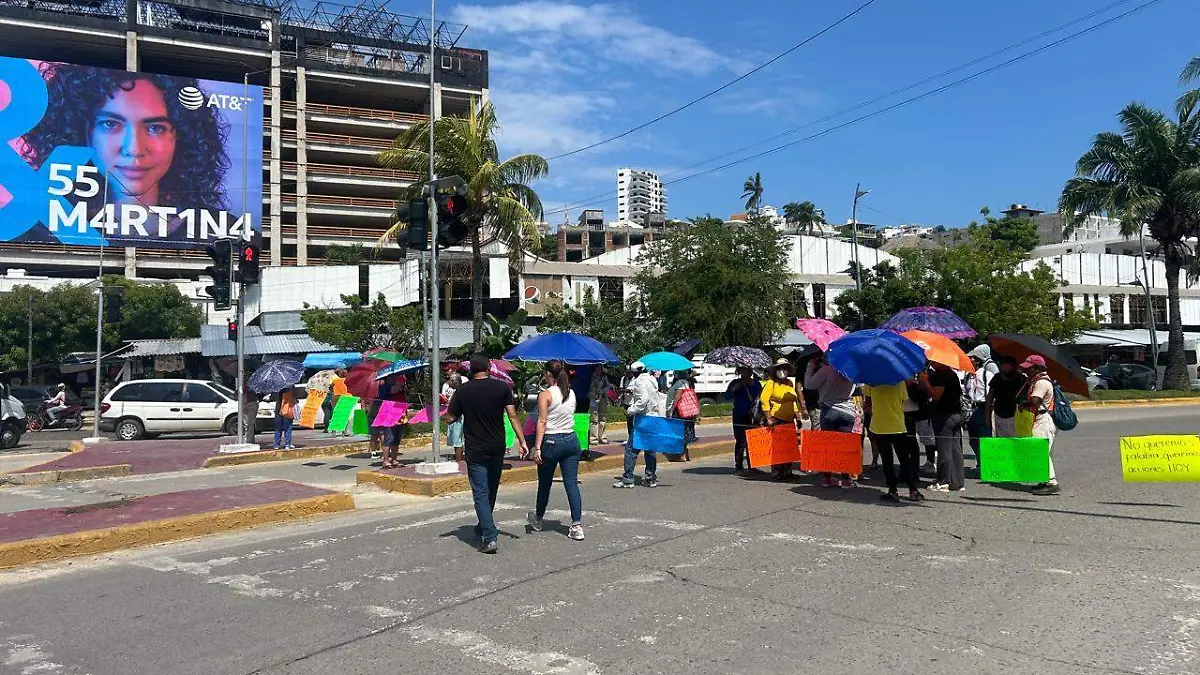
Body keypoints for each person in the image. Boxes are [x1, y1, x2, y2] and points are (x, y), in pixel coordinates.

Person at [19, 64, 235, 247]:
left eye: (155, 128)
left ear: (181, 135)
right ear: (83, 133)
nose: (134, 148)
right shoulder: (38, 232)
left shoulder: (224, 235)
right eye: (110, 124)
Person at [445, 355, 526, 553]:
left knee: (480, 493)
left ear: (470, 370)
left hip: (476, 448)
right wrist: (522, 441)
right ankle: (483, 526)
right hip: (497, 447)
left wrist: (451, 408)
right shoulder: (502, 388)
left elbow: (450, 418)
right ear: (489, 368)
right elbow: (513, 415)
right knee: (490, 490)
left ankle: (489, 537)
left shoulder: (462, 391)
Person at [527, 360, 585, 541]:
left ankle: (538, 518)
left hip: (551, 442)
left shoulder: (545, 395)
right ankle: (576, 525)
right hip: (571, 440)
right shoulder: (571, 393)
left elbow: (542, 422)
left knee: (545, 483)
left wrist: (536, 448)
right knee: (571, 484)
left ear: (548, 374)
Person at [864, 381, 925, 503]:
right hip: (898, 425)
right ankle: (913, 490)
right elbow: (903, 401)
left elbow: (868, 404)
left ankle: (893, 490)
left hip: (879, 426)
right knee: (904, 460)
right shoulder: (899, 381)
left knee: (887, 461)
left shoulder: (870, 380)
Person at [805, 355, 858, 488]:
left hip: (829, 409)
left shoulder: (826, 370)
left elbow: (809, 385)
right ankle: (846, 479)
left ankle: (827, 478)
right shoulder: (850, 370)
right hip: (847, 410)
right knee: (844, 447)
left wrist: (810, 367)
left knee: (828, 445)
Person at [1019, 355, 1061, 496]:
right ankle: (1044, 480)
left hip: (1044, 419)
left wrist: (1024, 403)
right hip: (1040, 418)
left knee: (1040, 451)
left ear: (1037, 368)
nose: (1026, 371)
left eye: (1029, 368)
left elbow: (1036, 400)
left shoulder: (1042, 383)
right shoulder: (1035, 381)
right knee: (1040, 450)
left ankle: (1051, 482)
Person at [614, 361, 660, 488]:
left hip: (643, 418)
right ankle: (651, 478)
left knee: (631, 449)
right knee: (650, 450)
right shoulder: (652, 379)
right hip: (653, 417)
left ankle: (628, 478)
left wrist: (631, 410)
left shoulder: (639, 381)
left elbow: (643, 399)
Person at [925, 361, 966, 493]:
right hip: (955, 413)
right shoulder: (952, 374)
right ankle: (958, 481)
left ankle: (943, 481)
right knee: (955, 449)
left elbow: (936, 394)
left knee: (944, 449)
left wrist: (925, 382)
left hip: (945, 415)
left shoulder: (941, 375)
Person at [760, 358, 800, 481]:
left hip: (789, 420)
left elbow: (792, 400)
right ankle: (777, 472)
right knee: (778, 447)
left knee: (789, 447)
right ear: (775, 370)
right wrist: (768, 417)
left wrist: (797, 414)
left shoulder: (789, 383)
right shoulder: (771, 383)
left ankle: (788, 472)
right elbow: (764, 399)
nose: (782, 371)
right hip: (776, 418)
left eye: (784, 368)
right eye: (779, 368)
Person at [965, 345, 997, 470]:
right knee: (973, 438)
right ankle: (980, 461)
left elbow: (991, 394)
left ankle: (989, 465)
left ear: (977, 360)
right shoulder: (968, 376)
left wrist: (989, 412)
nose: (969, 360)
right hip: (971, 408)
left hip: (983, 407)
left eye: (971, 358)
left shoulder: (986, 374)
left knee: (985, 437)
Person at [725, 367, 763, 475]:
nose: (743, 373)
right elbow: (726, 396)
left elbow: (761, 398)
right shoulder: (735, 383)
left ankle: (753, 466)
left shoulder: (756, 383)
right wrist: (734, 389)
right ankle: (739, 466)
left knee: (753, 442)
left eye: (746, 370)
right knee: (741, 441)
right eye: (741, 371)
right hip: (739, 416)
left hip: (753, 416)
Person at [987, 356, 1026, 438]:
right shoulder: (997, 378)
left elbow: (1024, 397)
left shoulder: (1020, 378)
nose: (1004, 367)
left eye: (1008, 365)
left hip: (1015, 415)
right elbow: (990, 397)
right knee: (1001, 440)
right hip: (998, 414)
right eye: (1003, 365)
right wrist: (987, 416)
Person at [666, 369, 698, 461]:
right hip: (684, 412)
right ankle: (684, 455)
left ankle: (682, 456)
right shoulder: (685, 382)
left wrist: (671, 410)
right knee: (682, 433)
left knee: (679, 433)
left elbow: (677, 398)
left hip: (679, 412)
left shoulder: (681, 383)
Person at [381, 374, 411, 470]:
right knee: (389, 437)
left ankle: (394, 459)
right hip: (389, 414)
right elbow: (392, 391)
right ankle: (386, 460)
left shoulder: (401, 387)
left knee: (397, 438)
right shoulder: (384, 387)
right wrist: (399, 384)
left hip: (400, 413)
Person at [443, 370, 465, 462]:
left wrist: (451, 418)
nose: (448, 383)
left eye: (450, 381)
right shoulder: (459, 391)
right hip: (455, 417)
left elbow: (458, 406)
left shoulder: (459, 392)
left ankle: (459, 461)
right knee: (457, 440)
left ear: (454, 382)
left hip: (457, 418)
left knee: (457, 441)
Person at [588, 365, 612, 445]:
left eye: (600, 367)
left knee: (603, 418)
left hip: (603, 399)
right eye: (598, 367)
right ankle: (593, 438)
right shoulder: (591, 376)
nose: (599, 369)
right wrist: (594, 395)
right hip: (593, 398)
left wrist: (602, 391)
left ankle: (602, 437)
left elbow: (608, 385)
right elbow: (589, 387)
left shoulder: (604, 376)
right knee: (594, 419)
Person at [328, 369, 349, 437]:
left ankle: (336, 432)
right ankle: (343, 432)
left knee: (337, 415)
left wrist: (333, 392)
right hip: (341, 398)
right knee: (342, 415)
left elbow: (330, 387)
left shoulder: (336, 381)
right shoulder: (347, 381)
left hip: (337, 398)